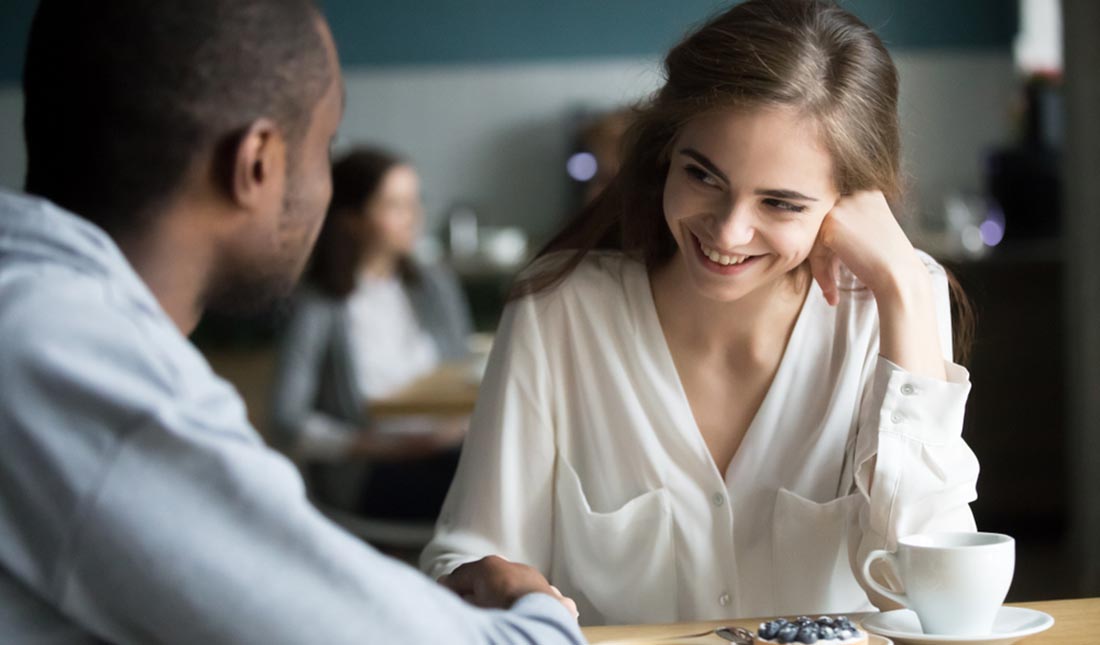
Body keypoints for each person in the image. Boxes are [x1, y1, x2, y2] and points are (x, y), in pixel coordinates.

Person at [0, 1, 583, 643]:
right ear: (256, 163)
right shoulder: (85, 374)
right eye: (324, 146)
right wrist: (542, 610)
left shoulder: (32, 308)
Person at [422, 0, 980, 627]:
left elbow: (936, 600)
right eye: (703, 176)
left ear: (847, 203)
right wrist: (494, 582)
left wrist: (902, 284)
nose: (729, 232)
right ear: (667, 150)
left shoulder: (891, 304)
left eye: (782, 203)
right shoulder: (559, 312)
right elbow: (467, 558)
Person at [271, 147, 472, 520]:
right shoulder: (319, 304)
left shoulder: (434, 286)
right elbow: (286, 420)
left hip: (449, 451)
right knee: (487, 502)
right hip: (368, 470)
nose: (413, 218)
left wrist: (454, 430)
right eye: (394, 206)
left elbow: (463, 380)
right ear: (351, 219)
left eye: (415, 203)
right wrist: (378, 446)